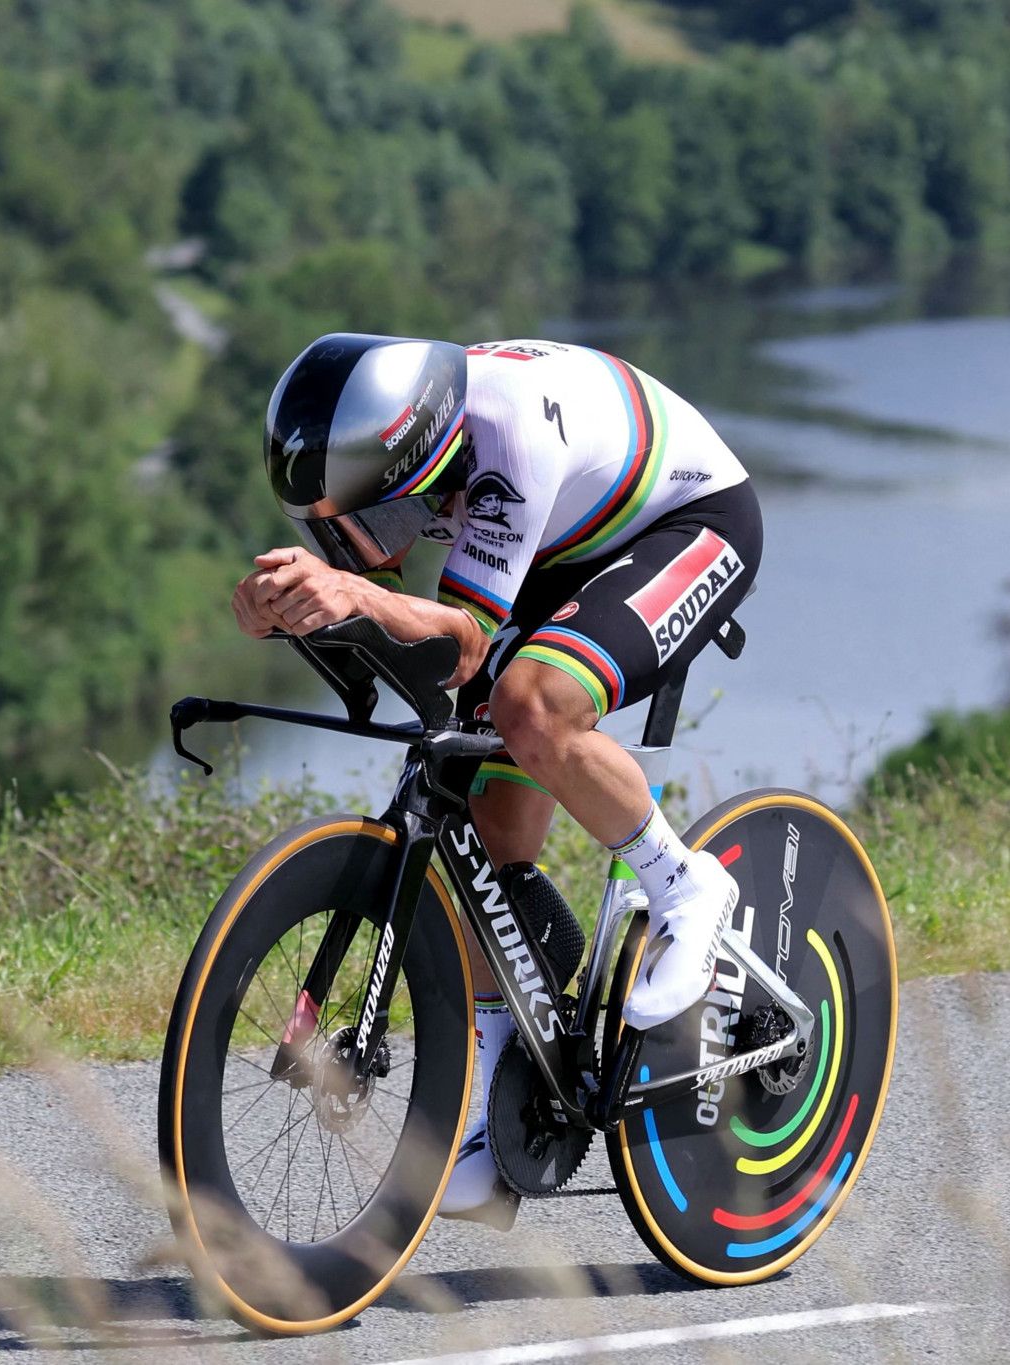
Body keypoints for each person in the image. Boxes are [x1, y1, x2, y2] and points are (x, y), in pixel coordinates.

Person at [230, 335, 762, 1227]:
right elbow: (392, 618)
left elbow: (467, 640)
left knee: (533, 707)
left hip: (688, 521)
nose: (345, 529)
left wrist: (354, 597)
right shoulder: (373, 451)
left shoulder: (508, 434)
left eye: (357, 512)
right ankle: (497, 1105)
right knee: (481, 825)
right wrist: (285, 609)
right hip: (564, 539)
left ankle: (685, 884)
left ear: (413, 459)